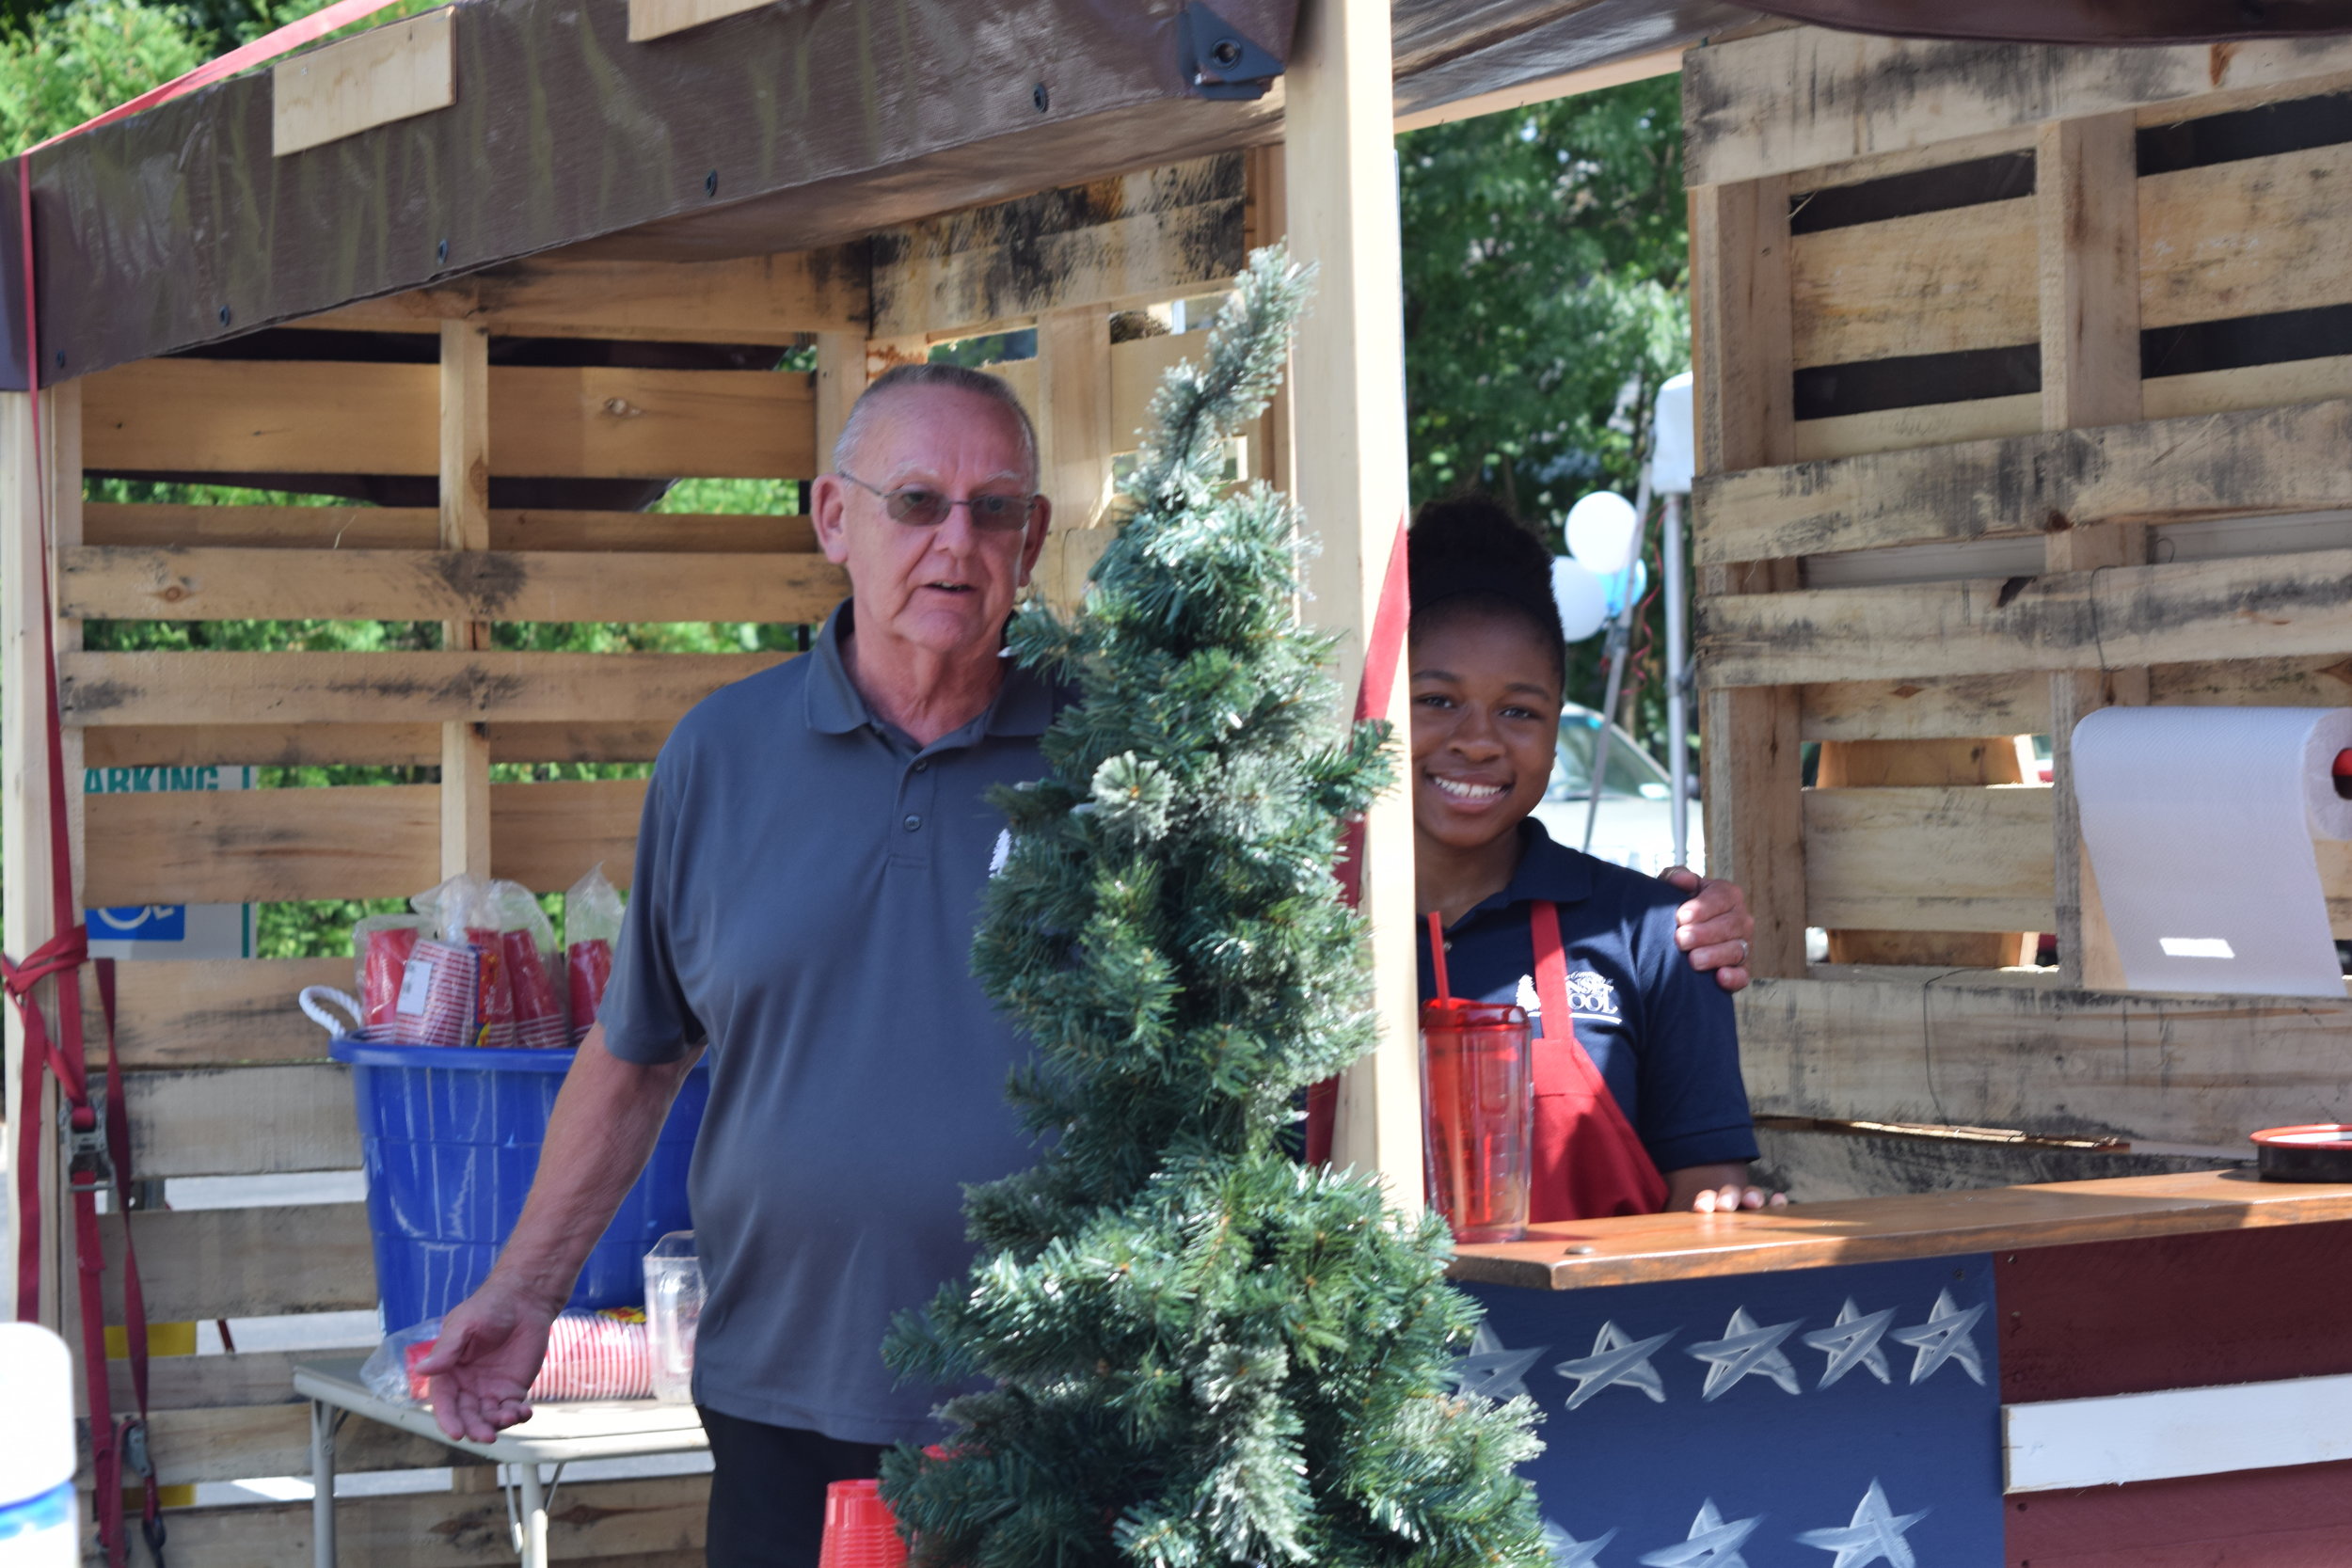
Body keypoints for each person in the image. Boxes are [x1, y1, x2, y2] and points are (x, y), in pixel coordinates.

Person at [413, 365, 1760, 1567]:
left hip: (1079, 1410)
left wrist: (1649, 921)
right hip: (782, 1395)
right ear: (834, 517)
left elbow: (1282, 980)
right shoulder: (718, 756)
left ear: (1035, 540)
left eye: (997, 510)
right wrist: (523, 1292)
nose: (958, 540)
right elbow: (639, 1049)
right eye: (918, 501)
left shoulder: (1126, 758)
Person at [1408, 497, 1781, 1215]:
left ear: (1558, 720)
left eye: (1519, 711)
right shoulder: (1297, 937)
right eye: (1436, 699)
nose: (1479, 740)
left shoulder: (1660, 937)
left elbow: (1706, 1197)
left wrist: (1731, 1215)